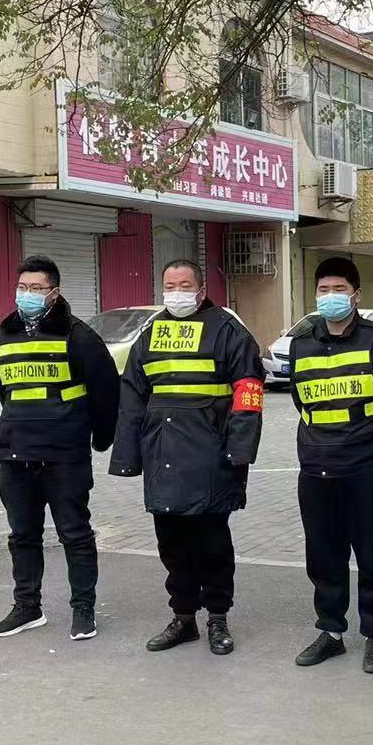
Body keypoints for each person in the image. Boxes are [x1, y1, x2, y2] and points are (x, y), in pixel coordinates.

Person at [109, 259, 264, 655]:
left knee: (212, 544)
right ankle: (183, 618)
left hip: (211, 457)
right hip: (162, 454)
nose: (176, 293)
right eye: (170, 285)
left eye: (184, 285)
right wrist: (127, 456)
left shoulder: (227, 330)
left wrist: (239, 451)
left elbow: (248, 392)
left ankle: (218, 618)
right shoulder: (152, 333)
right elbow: (132, 395)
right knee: (172, 544)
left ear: (201, 289)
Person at [288, 257, 373, 673]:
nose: (330, 297)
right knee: (323, 556)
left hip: (367, 468)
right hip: (316, 467)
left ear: (356, 295)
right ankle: (331, 632)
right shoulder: (301, 343)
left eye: (339, 289)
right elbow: (301, 400)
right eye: (323, 290)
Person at [0, 254, 120, 642]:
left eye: (36, 288)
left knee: (74, 534)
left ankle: (84, 608)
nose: (27, 294)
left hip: (64, 453)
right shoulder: (6, 334)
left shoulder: (79, 336)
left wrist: (100, 438)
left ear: (55, 292)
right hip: (16, 451)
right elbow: (4, 388)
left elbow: (106, 392)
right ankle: (27, 607)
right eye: (22, 287)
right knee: (22, 535)